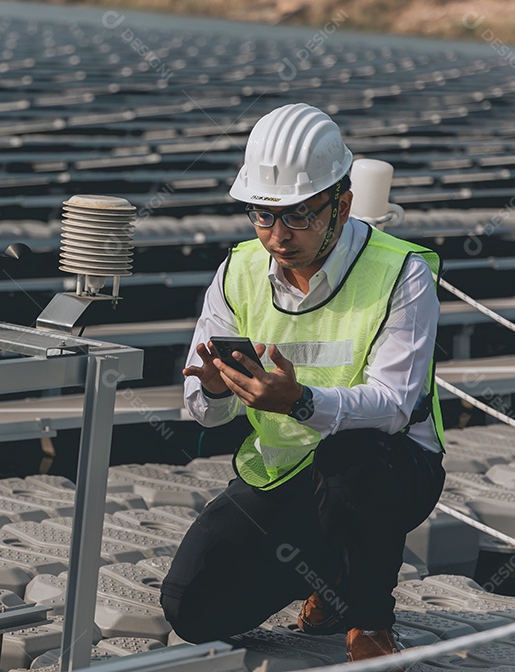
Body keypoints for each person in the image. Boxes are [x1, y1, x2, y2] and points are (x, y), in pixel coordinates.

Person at [160, 103, 446, 663]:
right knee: (192, 610)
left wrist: (300, 402)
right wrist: (217, 393)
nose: (278, 235)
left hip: (387, 470)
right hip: (285, 473)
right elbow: (205, 410)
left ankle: (368, 621)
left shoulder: (401, 271)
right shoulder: (236, 271)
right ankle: (332, 580)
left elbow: (392, 406)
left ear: (342, 204)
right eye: (263, 216)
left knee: (352, 456)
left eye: (299, 215)